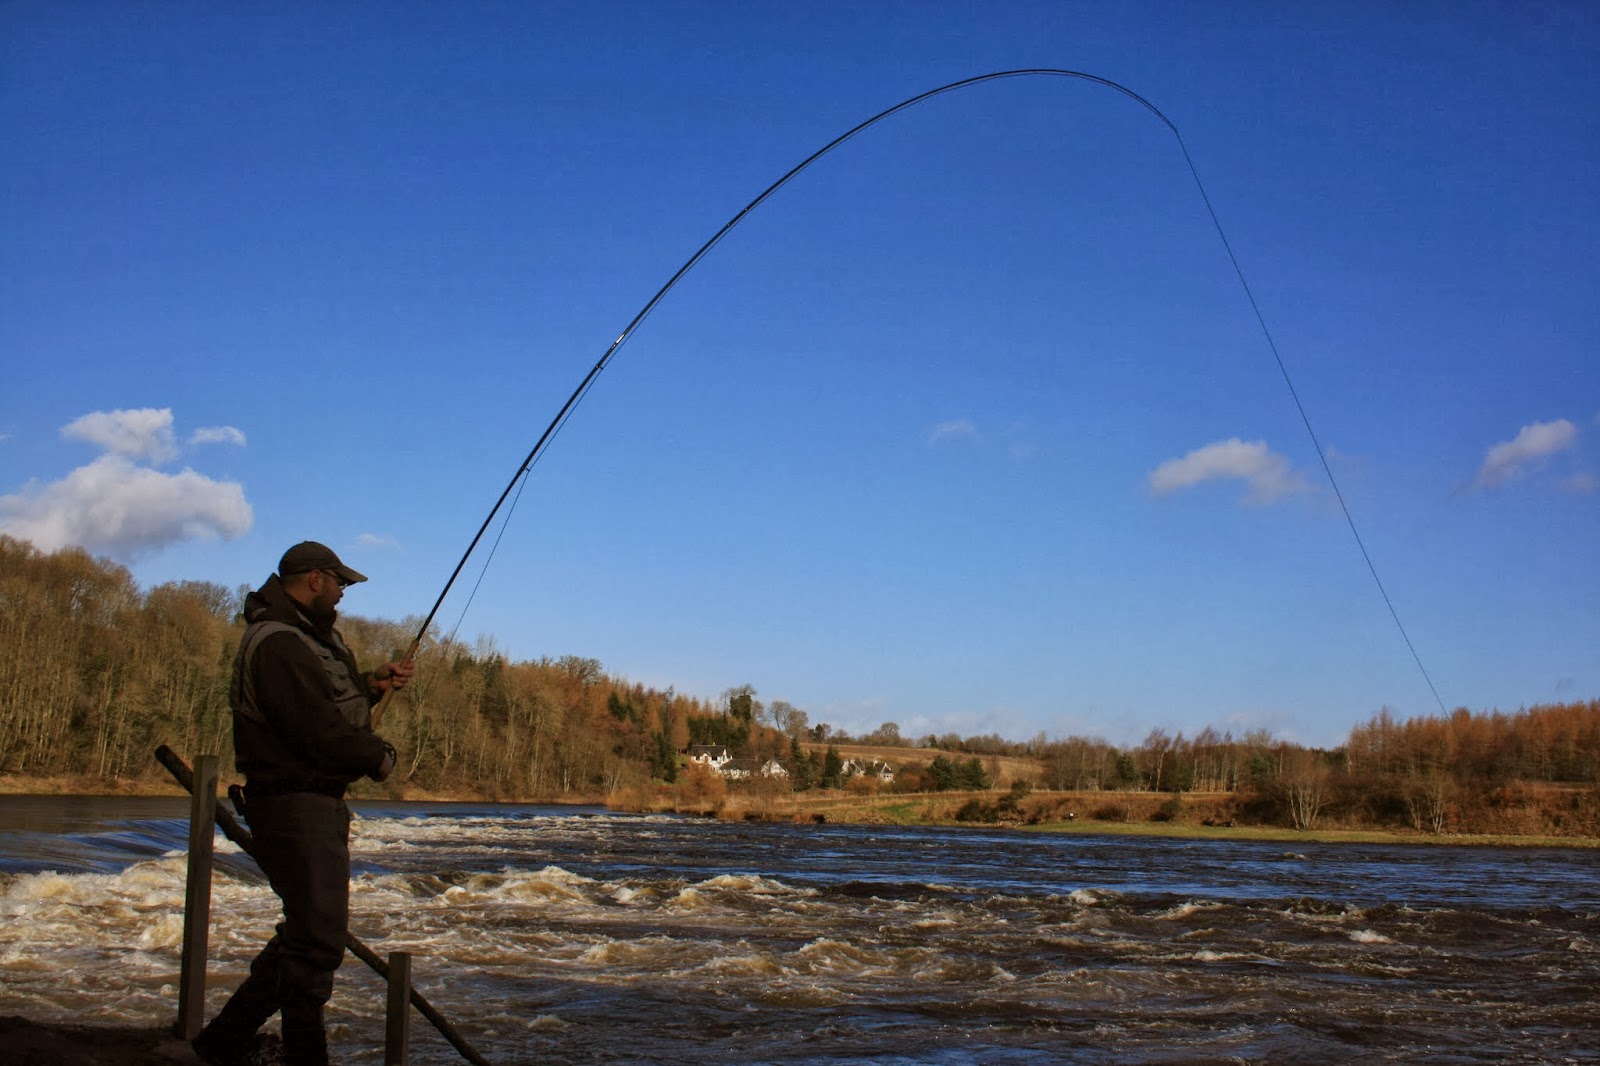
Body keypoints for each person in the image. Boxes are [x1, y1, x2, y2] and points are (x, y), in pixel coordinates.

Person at [192, 541, 412, 1066]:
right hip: (293, 804)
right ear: (315, 578)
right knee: (316, 941)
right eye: (339, 584)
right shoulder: (279, 644)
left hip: (306, 802)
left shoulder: (305, 639)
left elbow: (321, 704)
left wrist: (371, 687)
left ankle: (218, 1043)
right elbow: (316, 730)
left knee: (307, 933)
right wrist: (377, 757)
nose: (342, 595)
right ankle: (302, 1056)